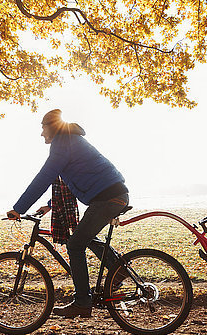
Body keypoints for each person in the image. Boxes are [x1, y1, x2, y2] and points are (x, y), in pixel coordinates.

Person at [7, 109, 129, 318]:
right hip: (111, 195)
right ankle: (118, 269)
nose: (41, 133)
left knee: (75, 245)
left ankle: (83, 302)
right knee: (84, 236)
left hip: (108, 198)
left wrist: (19, 208)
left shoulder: (63, 142)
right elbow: (68, 182)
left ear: (52, 127)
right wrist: (49, 204)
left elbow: (44, 177)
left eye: (43, 128)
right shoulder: (69, 141)